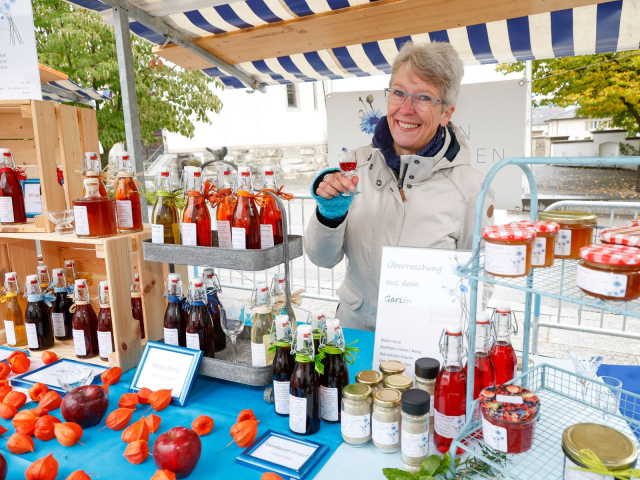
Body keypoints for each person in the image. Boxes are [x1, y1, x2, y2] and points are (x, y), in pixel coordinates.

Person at [304, 41, 494, 331]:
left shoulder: (470, 189)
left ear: (446, 113)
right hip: (355, 335)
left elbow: (480, 283)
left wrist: (450, 338)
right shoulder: (353, 166)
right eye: (399, 93)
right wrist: (329, 217)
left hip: (423, 349)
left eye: (424, 98)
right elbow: (321, 258)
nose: (406, 108)